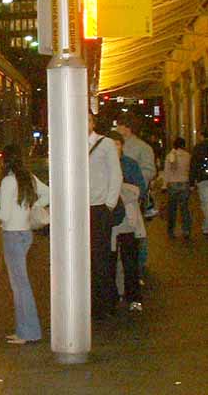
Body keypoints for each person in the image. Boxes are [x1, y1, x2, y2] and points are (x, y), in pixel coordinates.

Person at [0, 143, 49, 345]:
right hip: (26, 233)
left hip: (12, 235)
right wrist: (30, 206)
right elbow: (48, 193)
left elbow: (4, 214)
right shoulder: (28, 178)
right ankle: (24, 330)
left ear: (5, 160)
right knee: (21, 284)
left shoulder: (8, 181)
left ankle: (28, 332)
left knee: (20, 285)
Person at [89, 111, 123, 319]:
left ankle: (105, 303)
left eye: (88, 120)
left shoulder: (106, 144)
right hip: (79, 209)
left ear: (93, 123)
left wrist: (109, 205)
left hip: (99, 207)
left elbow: (115, 174)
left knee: (100, 256)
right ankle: (90, 302)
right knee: (85, 259)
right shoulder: (70, 143)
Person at [109, 131, 147, 312]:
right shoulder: (103, 165)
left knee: (130, 259)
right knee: (109, 261)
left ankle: (133, 296)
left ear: (122, 146)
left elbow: (141, 188)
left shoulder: (130, 164)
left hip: (128, 220)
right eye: (112, 144)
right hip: (109, 221)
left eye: (118, 144)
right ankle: (113, 296)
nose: (115, 148)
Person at [116, 114, 157, 218]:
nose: (117, 128)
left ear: (128, 128)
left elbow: (150, 171)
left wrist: (135, 183)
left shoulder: (143, 147)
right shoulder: (112, 145)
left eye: (119, 125)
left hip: (132, 195)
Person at [164, 137, 191, 239]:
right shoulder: (188, 155)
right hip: (185, 183)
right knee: (184, 208)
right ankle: (186, 230)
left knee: (172, 209)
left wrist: (164, 185)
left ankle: (171, 231)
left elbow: (167, 171)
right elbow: (189, 169)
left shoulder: (170, 155)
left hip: (173, 183)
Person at [189, 129, 208, 236]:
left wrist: (191, 183)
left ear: (201, 136)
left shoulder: (198, 148)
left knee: (205, 203)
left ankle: (206, 226)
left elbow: (193, 166)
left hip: (202, 179)